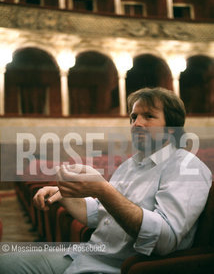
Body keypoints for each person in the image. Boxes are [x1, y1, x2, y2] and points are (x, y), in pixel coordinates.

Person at [0, 87, 212, 274]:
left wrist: (102, 189)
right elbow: (99, 212)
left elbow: (164, 240)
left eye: (148, 116)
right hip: (84, 256)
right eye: (133, 117)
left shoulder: (187, 167)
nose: (136, 123)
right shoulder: (131, 164)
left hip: (117, 268)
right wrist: (62, 194)